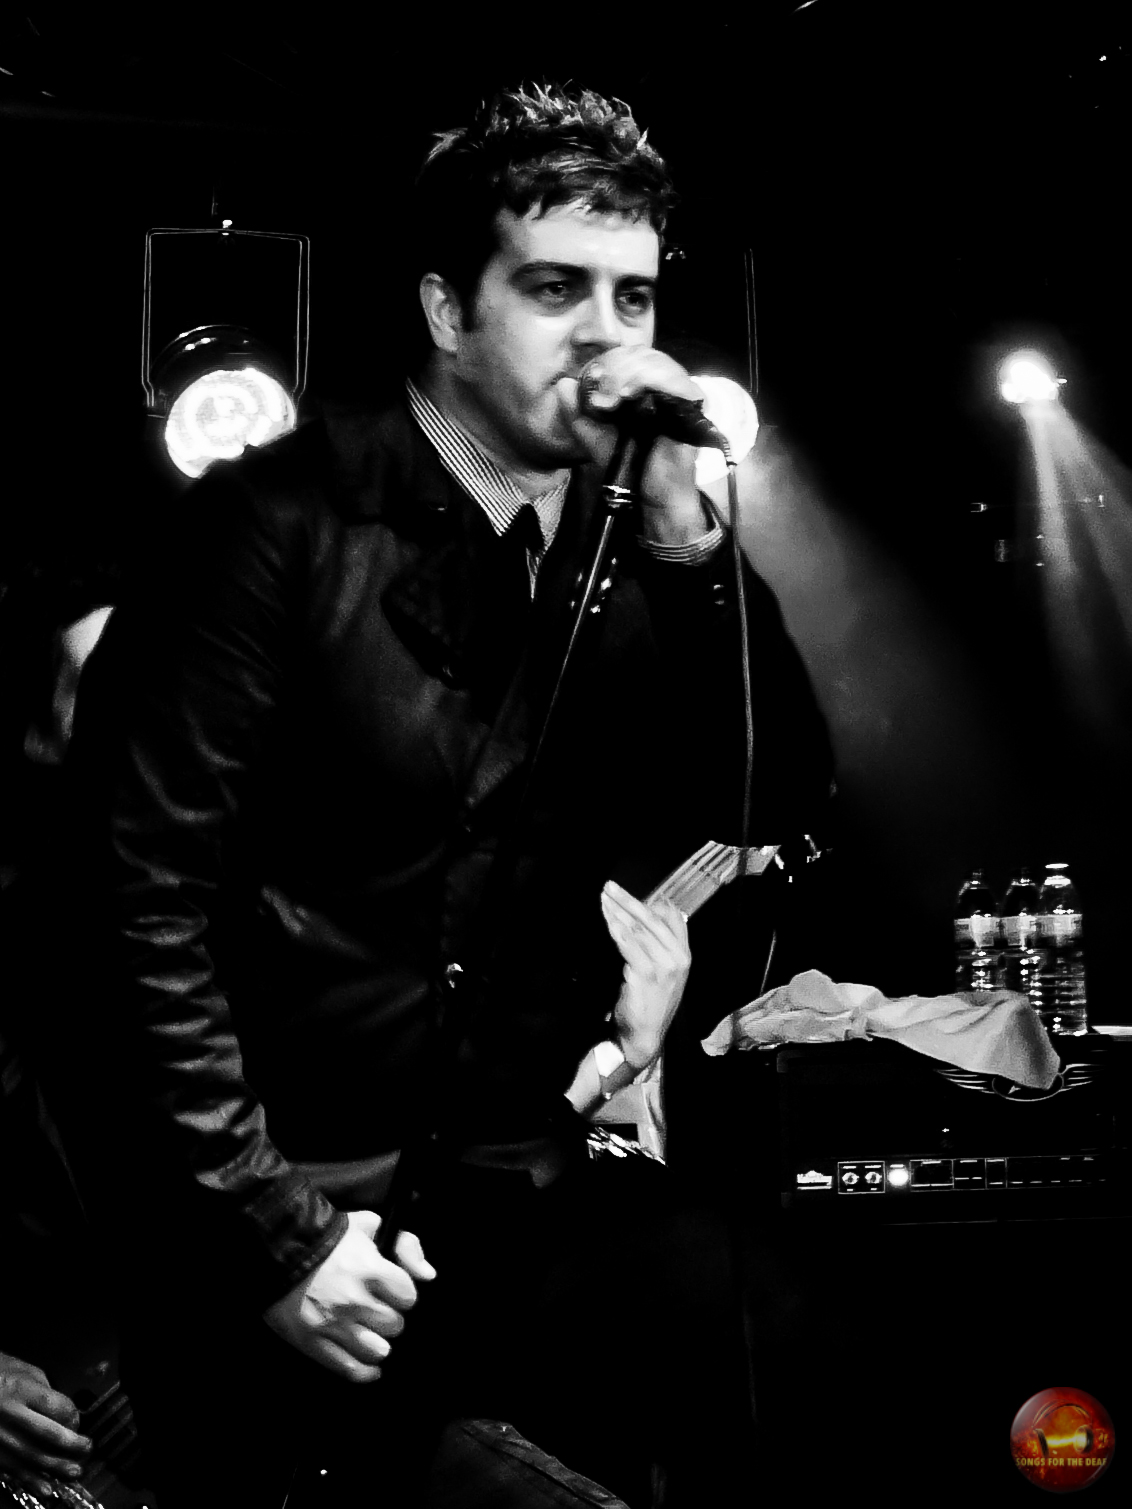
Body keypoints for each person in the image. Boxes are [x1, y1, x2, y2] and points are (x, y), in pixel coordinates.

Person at [41, 82, 834, 1506]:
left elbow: (764, 792)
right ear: (447, 310)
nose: (607, 336)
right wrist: (275, 1237)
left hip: (515, 1199)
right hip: (295, 1208)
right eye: (554, 289)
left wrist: (685, 533)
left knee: (774, 1346)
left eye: (636, 297)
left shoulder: (634, 544)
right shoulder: (275, 525)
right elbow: (129, 907)